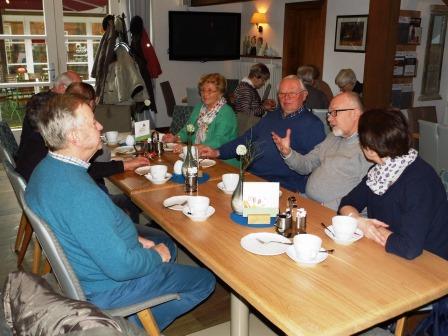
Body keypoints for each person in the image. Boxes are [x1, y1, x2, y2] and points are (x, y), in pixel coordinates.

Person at [25, 94, 216, 330]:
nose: (100, 125)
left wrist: (136, 239)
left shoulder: (48, 169)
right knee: (204, 280)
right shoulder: (79, 194)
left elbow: (93, 229)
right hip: (107, 287)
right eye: (93, 122)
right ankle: (135, 328)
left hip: (90, 270)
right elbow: (122, 267)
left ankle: (148, 300)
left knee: (166, 242)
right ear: (74, 137)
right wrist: (156, 256)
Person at [339, 109, 448, 260]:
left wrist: (375, 231)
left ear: (369, 149)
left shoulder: (420, 181)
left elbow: (409, 248)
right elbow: (347, 204)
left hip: (431, 263)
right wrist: (359, 222)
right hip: (388, 252)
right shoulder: (379, 172)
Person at [199, 75, 326, 193]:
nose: (286, 97)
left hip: (282, 187)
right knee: (206, 191)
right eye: (282, 93)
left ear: (304, 95)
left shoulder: (313, 125)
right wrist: (218, 152)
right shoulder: (272, 116)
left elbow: (316, 166)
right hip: (251, 177)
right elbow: (246, 139)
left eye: (292, 93)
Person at [272, 92, 371, 210]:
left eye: (334, 112)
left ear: (355, 114)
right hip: (307, 201)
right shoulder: (332, 138)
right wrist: (288, 152)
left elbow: (362, 196)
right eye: (329, 113)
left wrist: (320, 208)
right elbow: (306, 164)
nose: (329, 118)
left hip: (334, 213)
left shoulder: (369, 148)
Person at [66, 82, 146, 222]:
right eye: (93, 123)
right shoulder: (76, 183)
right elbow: (94, 167)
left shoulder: (62, 159)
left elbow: (89, 168)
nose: (100, 126)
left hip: (97, 200)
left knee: (136, 199)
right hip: (99, 204)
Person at [16, 71, 81, 181]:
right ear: (61, 88)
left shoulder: (42, 99)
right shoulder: (49, 107)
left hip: (29, 163)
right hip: (37, 172)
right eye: (75, 91)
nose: (78, 95)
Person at [163, 73, 237, 150]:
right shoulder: (199, 107)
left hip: (221, 159)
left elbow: (217, 142)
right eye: (202, 90)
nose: (205, 94)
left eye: (210, 91)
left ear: (220, 93)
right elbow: (188, 129)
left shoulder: (226, 113)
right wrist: (175, 138)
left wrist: (189, 148)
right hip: (200, 154)